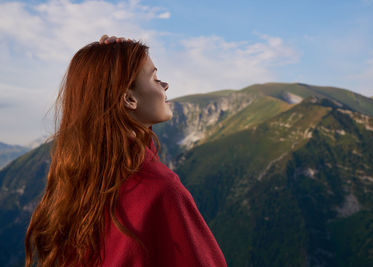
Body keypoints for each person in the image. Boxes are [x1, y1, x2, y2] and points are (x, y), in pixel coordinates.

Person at [24, 35, 227, 267]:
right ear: (129, 99)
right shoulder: (160, 188)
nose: (165, 85)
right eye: (155, 78)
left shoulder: (83, 178)